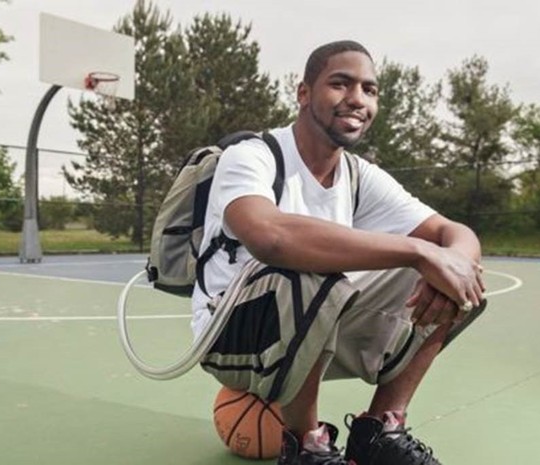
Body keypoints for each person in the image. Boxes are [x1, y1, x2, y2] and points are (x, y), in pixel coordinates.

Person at [192, 40, 486, 465]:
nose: (357, 99)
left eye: (369, 89)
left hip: (308, 328)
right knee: (311, 269)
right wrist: (418, 252)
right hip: (232, 335)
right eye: (341, 84)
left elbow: (451, 232)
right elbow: (268, 236)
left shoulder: (358, 175)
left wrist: (449, 263)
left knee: (457, 276)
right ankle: (305, 445)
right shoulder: (253, 156)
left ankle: (381, 431)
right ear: (304, 92)